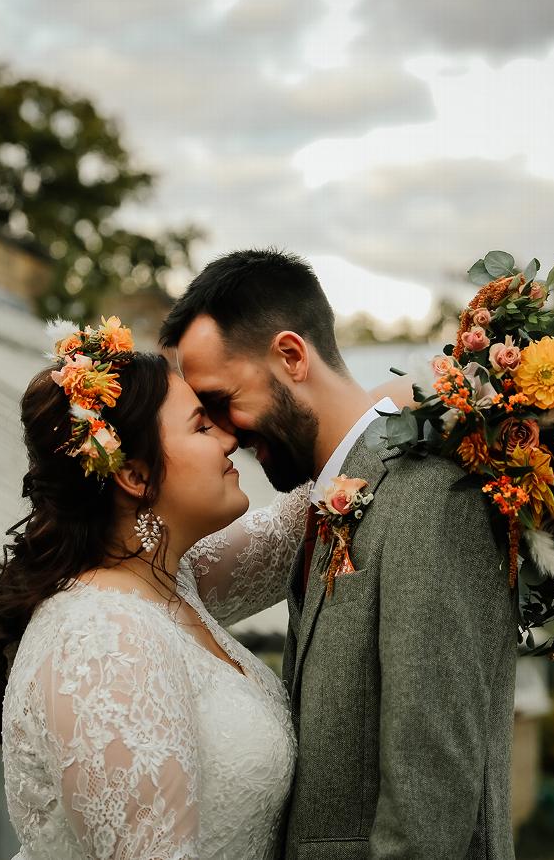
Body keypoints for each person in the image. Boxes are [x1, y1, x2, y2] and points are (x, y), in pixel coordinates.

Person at [160, 248, 520, 859]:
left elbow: (429, 793)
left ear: (292, 356)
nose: (224, 433)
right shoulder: (336, 492)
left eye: (222, 401)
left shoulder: (429, 494)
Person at [0, 322, 311, 860]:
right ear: (133, 473)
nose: (229, 439)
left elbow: (306, 518)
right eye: (201, 428)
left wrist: (466, 388)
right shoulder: (102, 638)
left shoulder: (174, 583)